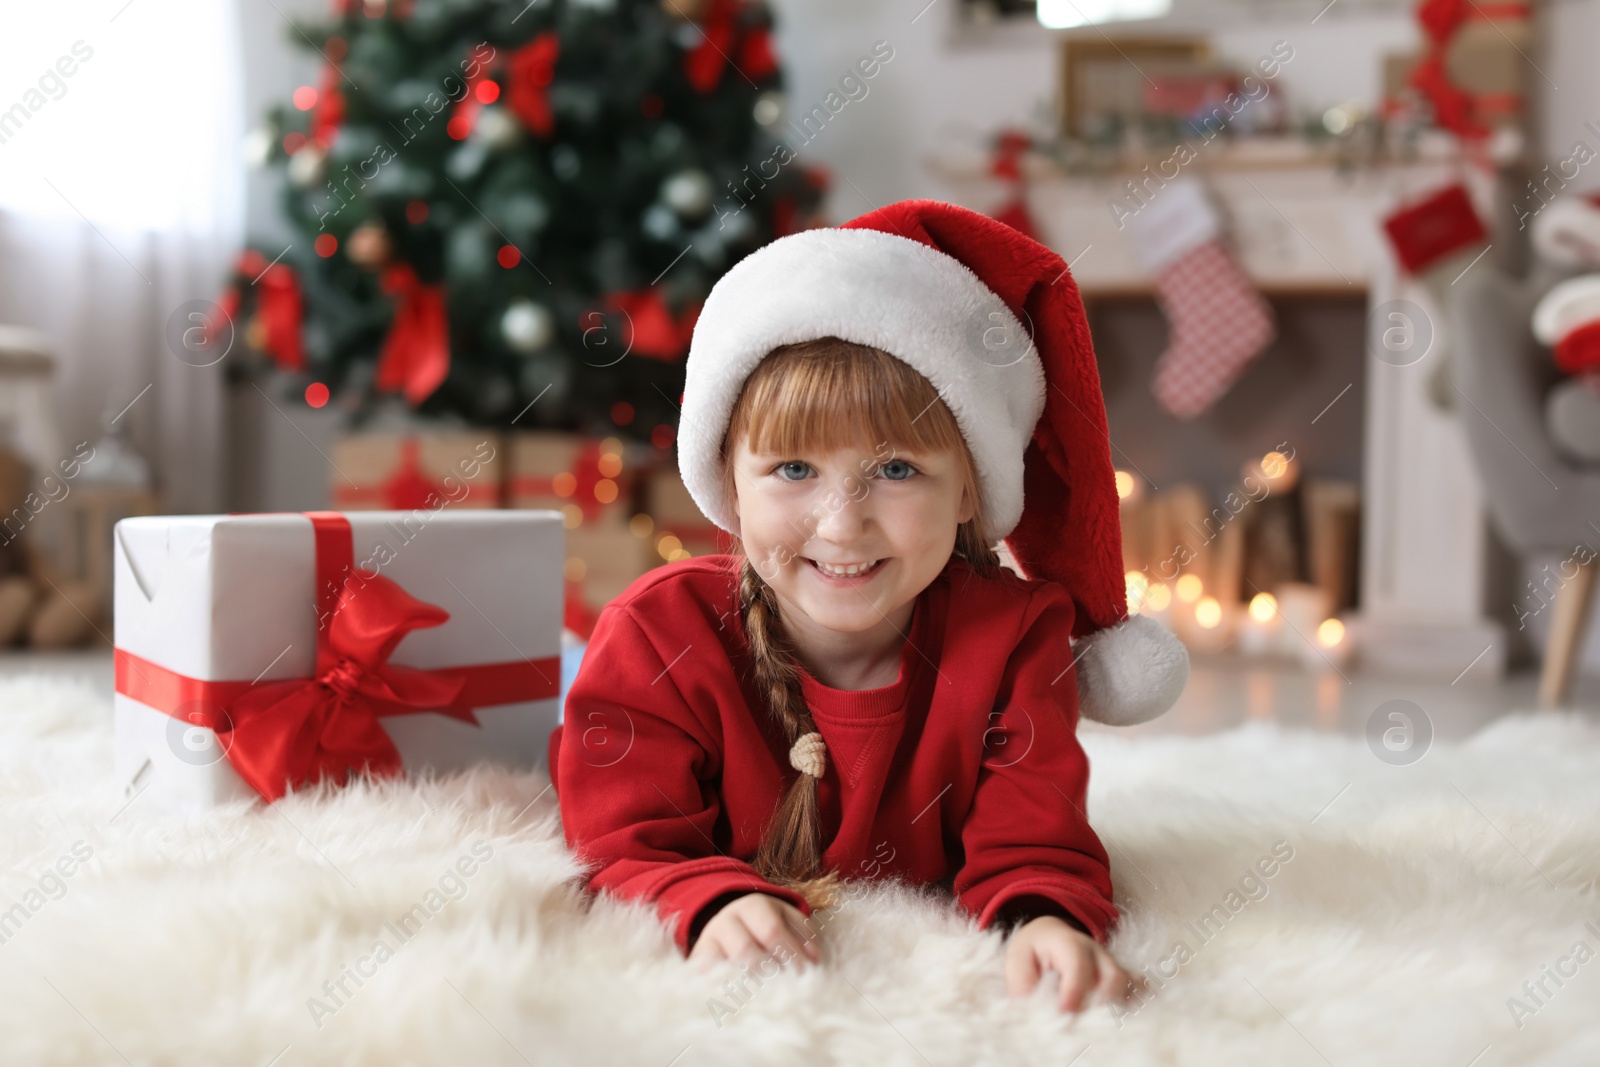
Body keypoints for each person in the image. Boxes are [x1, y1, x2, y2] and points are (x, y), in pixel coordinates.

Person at [550, 198, 1188, 1015]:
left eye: (895, 470)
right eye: (791, 469)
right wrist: (707, 897)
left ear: (970, 489)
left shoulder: (1016, 635)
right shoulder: (657, 633)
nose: (841, 522)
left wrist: (1044, 919)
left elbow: (1034, 839)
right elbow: (620, 840)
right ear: (728, 488)